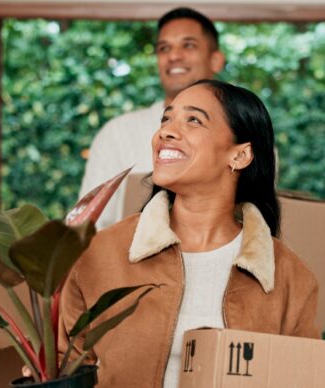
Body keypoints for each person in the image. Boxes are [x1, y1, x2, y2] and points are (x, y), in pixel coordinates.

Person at [15, 80, 319, 388]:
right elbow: (65, 363)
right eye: (166, 119)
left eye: (194, 121)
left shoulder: (289, 277)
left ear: (239, 155)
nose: (166, 133)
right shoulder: (100, 254)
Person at [80, 7, 225, 230]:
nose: (174, 56)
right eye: (164, 48)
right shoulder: (116, 133)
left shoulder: (244, 135)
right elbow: (87, 227)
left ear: (216, 60)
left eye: (188, 45)